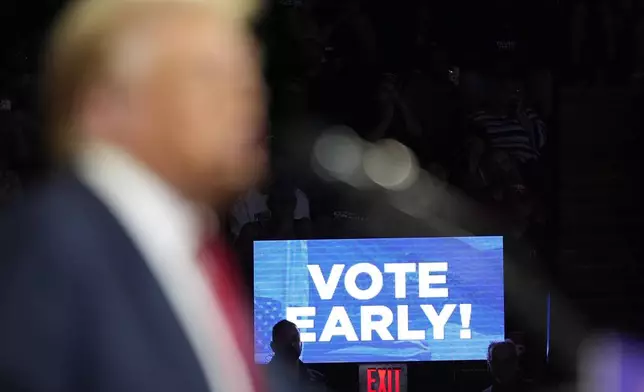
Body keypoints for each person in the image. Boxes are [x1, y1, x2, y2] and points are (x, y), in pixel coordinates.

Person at [0, 1, 266, 392]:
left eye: (248, 75)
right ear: (106, 105)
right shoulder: (53, 244)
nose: (247, 95)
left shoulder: (193, 260)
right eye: (210, 74)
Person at [267, 320, 328, 392]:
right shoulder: (258, 379)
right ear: (273, 346)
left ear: (301, 344)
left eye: (295, 339)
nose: (291, 344)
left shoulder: (317, 381)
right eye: (285, 340)